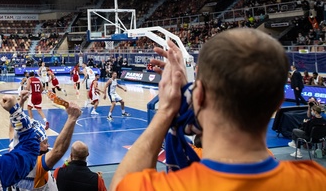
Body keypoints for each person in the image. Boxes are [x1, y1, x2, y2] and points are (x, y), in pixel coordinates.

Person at [110, 29, 326, 191]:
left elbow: (122, 182)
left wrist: (167, 110)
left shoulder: (173, 186)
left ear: (199, 96)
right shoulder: (315, 180)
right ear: (279, 103)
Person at [13, 101, 82, 191]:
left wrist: (20, 104)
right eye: (45, 143)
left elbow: (15, 130)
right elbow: (58, 150)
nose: (48, 145)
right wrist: (72, 117)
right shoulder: (35, 166)